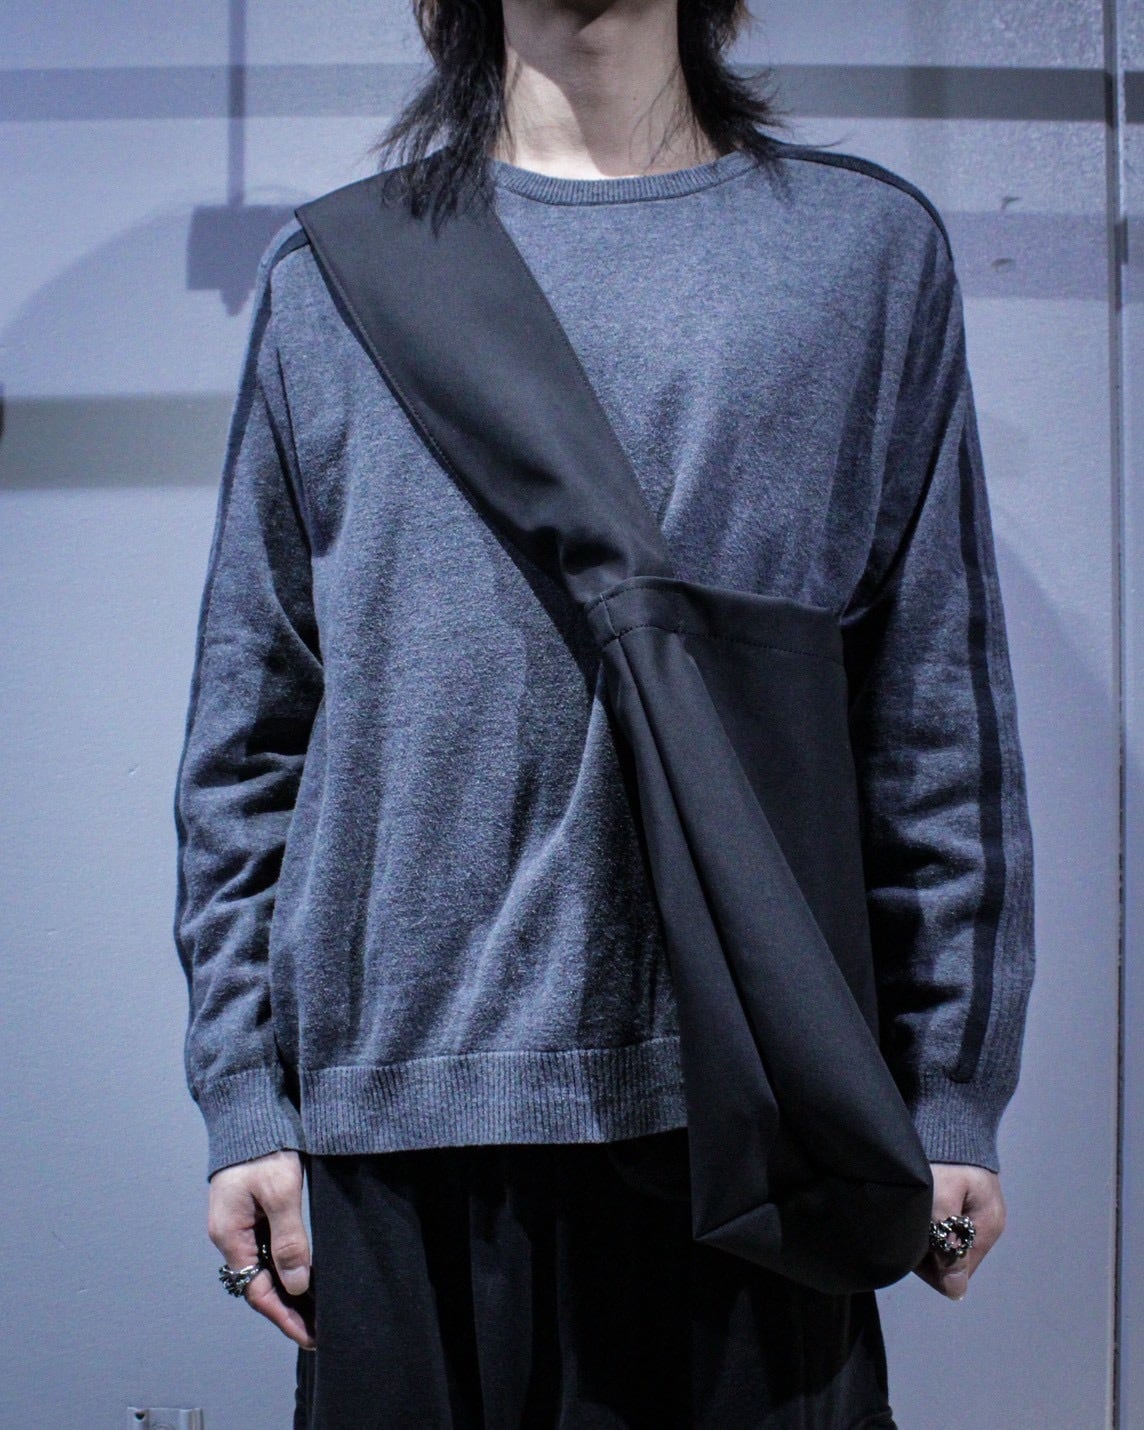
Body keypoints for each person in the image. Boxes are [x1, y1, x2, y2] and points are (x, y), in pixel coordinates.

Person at [172, 0, 1036, 1425]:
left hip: (755, 1106)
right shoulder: (335, 278)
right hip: (399, 1119)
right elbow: (249, 736)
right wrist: (244, 1099)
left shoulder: (861, 256)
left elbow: (931, 707)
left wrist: (949, 1087)